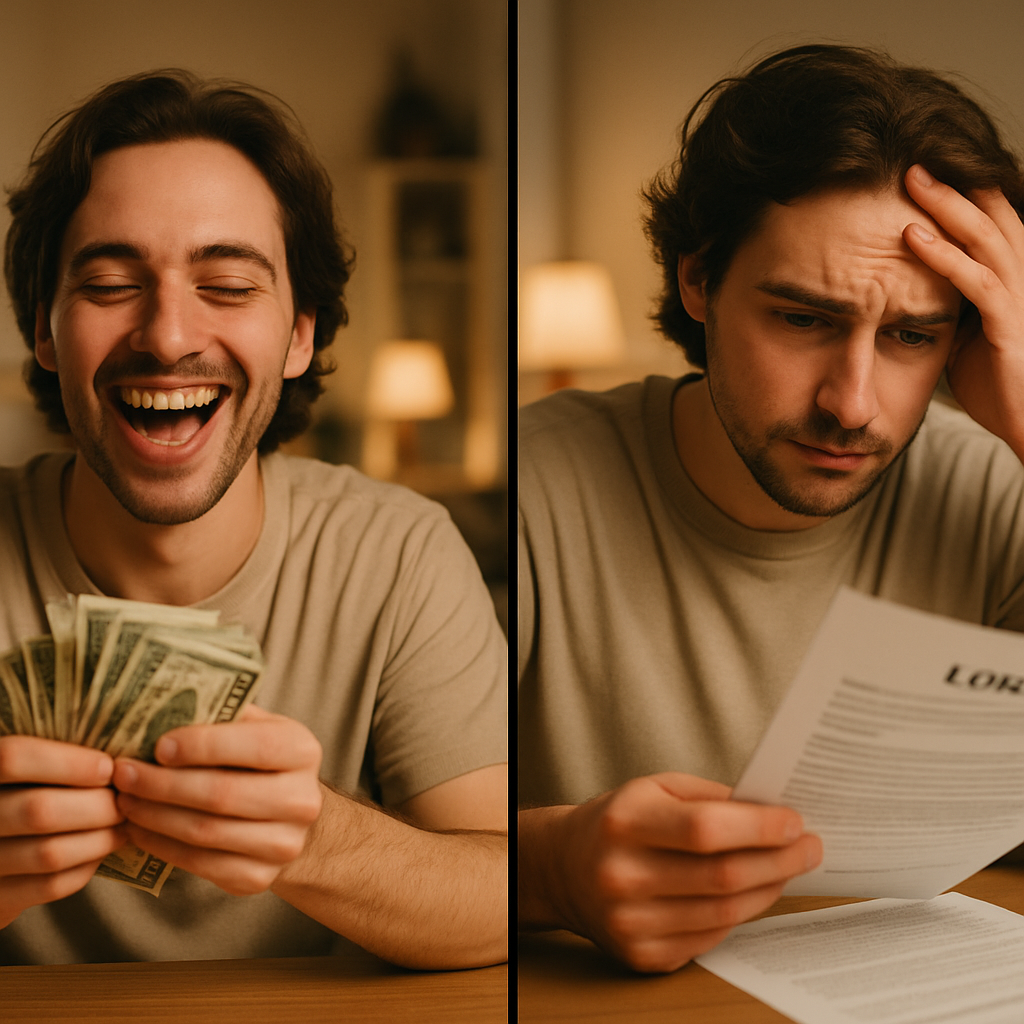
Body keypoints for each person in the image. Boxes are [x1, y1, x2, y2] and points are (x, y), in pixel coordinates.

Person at [518, 43, 1024, 972]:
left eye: (913, 336)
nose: (853, 403)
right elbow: (387, 836)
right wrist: (542, 870)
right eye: (803, 319)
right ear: (698, 278)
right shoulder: (531, 496)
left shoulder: (1001, 494)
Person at [0, 70, 507, 967]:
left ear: (302, 332)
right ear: (44, 329)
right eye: (112, 282)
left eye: (229, 285)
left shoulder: (401, 554)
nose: (167, 335)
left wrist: (316, 840)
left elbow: (505, 898)